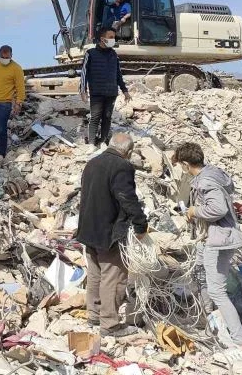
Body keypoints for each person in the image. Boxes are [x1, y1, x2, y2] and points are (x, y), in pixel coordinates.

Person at [174, 142, 242, 365]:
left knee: (217, 291)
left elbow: (218, 209)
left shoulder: (206, 181)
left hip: (217, 240)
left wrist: (194, 211)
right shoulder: (213, 174)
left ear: (185, 164)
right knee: (200, 272)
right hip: (216, 238)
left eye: (181, 165)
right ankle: (210, 318)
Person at [76, 133, 148, 338]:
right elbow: (126, 197)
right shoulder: (122, 166)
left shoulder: (92, 163)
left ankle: (94, 315)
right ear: (129, 151)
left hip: (89, 228)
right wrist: (140, 224)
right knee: (114, 277)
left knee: (95, 274)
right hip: (109, 232)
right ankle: (110, 324)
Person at [80, 27, 131, 148]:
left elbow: (118, 74)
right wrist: (83, 90)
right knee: (95, 117)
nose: (114, 40)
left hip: (111, 92)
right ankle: (92, 144)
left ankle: (103, 142)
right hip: (97, 92)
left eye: (114, 37)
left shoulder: (114, 54)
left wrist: (125, 91)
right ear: (103, 39)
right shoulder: (90, 53)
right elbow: (84, 73)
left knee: (107, 117)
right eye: (111, 37)